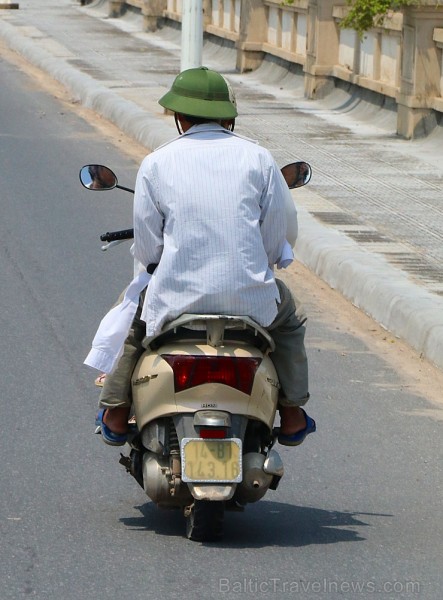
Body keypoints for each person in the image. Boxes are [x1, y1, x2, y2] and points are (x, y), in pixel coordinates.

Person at [94, 67, 316, 448]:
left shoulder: (157, 163)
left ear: (179, 119)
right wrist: (252, 267)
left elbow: (149, 248)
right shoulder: (260, 160)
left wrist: (166, 267)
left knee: (134, 321)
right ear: (229, 118)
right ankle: (293, 412)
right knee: (288, 321)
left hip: (176, 301)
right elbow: (279, 232)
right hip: (252, 304)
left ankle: (115, 409)